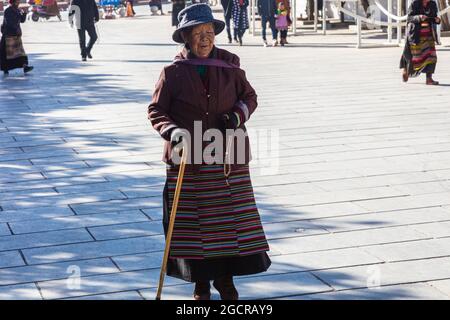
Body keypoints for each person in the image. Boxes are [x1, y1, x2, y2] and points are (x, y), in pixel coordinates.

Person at [147, 3, 271, 301]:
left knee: (227, 226)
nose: (205, 38)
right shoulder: (172, 73)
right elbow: (156, 110)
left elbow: (249, 97)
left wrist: (236, 116)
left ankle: (225, 283)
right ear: (186, 37)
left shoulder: (230, 66)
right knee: (194, 228)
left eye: (209, 32)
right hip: (188, 160)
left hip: (226, 157)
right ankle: (200, 285)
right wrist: (173, 131)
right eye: (198, 33)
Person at [400, 0, 440, 85]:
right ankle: (406, 70)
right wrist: (419, 17)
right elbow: (409, 18)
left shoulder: (432, 4)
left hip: (429, 35)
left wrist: (437, 20)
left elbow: (434, 17)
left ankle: (429, 79)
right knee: (414, 56)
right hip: (415, 35)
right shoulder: (415, 3)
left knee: (432, 56)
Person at [0, 0, 34, 75]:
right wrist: (17, 19)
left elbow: (22, 20)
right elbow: (10, 22)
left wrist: (24, 14)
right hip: (8, 35)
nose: (18, 3)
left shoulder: (17, 10)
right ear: (13, 2)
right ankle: (5, 69)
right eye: (17, 2)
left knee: (20, 53)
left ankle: (25, 67)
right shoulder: (8, 11)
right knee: (7, 54)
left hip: (16, 35)